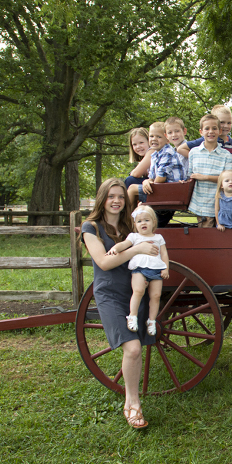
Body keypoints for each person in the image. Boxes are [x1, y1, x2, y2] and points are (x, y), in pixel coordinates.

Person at [81, 178, 161, 429]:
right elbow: (104, 262)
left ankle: (132, 399)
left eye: (120, 197)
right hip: (110, 294)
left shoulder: (131, 226)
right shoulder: (91, 227)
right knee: (134, 348)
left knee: (135, 347)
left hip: (135, 291)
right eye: (110, 196)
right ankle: (132, 403)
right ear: (102, 199)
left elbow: (153, 242)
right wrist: (136, 250)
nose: (116, 201)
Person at [107, 205, 170, 336]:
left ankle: (151, 321)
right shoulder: (134, 237)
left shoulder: (158, 238)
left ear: (153, 222)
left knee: (156, 296)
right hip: (139, 270)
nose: (143, 223)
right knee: (138, 291)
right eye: (139, 221)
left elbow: (164, 254)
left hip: (157, 270)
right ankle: (132, 316)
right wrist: (116, 249)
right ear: (135, 224)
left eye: (146, 220)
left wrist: (166, 268)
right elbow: (124, 244)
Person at [186, 114, 232, 228]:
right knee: (203, 233)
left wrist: (204, 177)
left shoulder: (225, 155)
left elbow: (227, 180)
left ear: (219, 131)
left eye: (214, 128)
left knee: (213, 235)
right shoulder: (193, 152)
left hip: (218, 203)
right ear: (201, 131)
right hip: (198, 202)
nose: (210, 131)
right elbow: (190, 177)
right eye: (207, 128)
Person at [127, 122, 186, 208]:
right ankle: (131, 218)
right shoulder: (155, 154)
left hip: (171, 190)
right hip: (164, 188)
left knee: (132, 189)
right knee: (133, 188)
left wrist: (150, 183)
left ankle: (125, 218)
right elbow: (152, 176)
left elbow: (161, 177)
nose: (154, 139)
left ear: (167, 139)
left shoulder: (167, 152)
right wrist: (147, 181)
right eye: (151, 136)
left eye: (159, 137)